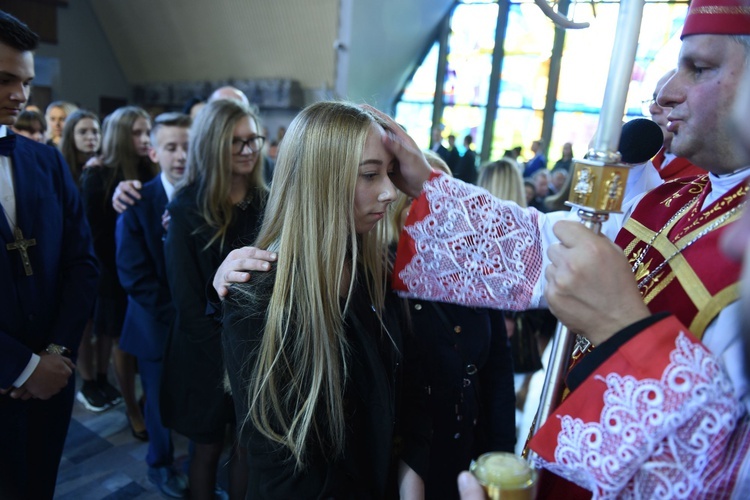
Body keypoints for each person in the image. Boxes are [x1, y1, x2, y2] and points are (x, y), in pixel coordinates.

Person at [388, 0, 750, 496]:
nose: (667, 91)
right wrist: (424, 185)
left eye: (700, 68)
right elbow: (550, 251)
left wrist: (622, 329)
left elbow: (730, 471)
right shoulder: (673, 197)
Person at [221, 101, 428, 498]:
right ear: (321, 181)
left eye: (389, 172)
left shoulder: (373, 270)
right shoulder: (258, 295)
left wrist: (410, 472)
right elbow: (281, 464)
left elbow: (408, 385)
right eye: (370, 174)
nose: (389, 192)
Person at [0, 11, 98, 499]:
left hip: (52, 382)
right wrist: (19, 367)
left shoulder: (46, 160)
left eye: (26, 81)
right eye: (4, 79)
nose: (20, 94)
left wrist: (55, 354)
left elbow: (82, 262)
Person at [394, 151, 516, 500]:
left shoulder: (474, 278)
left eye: (452, 207)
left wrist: (501, 456)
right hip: (405, 465)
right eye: (429, 202)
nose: (444, 219)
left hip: (466, 451)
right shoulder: (383, 280)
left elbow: (497, 375)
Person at [160, 99, 265, 500]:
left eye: (252, 139)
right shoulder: (187, 208)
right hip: (203, 351)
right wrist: (227, 359)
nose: (247, 149)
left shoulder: (265, 201)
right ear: (212, 147)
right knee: (204, 450)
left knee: (245, 448)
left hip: (253, 349)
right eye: (235, 142)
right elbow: (188, 303)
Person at [115, 112, 191, 498]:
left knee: (197, 398)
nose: (180, 156)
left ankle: (198, 463)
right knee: (159, 401)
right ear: (153, 151)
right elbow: (133, 276)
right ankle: (159, 463)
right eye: (171, 147)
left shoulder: (204, 197)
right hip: (156, 323)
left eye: (188, 147)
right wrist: (180, 315)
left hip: (196, 324)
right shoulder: (136, 200)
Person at [81, 106, 156, 434]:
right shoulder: (98, 174)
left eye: (147, 132)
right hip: (111, 271)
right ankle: (131, 407)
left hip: (147, 268)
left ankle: (145, 402)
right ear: (120, 136)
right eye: (136, 133)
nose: (144, 139)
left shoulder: (151, 166)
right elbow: (92, 234)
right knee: (121, 344)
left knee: (146, 339)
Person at [647, 69, 705, 181]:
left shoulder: (706, 173)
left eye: (668, 101)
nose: (652, 109)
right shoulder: (652, 162)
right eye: (654, 100)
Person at [60, 109, 101, 186]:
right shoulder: (60, 167)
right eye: (82, 132)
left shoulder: (105, 165)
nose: (90, 137)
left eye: (95, 132)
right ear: (71, 136)